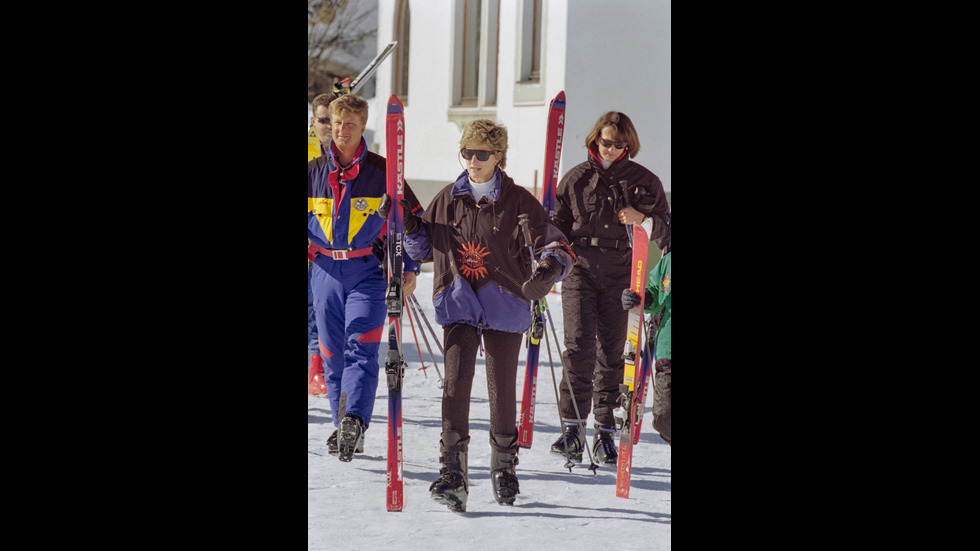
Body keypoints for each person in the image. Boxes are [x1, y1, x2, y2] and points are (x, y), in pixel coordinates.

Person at [400, 119, 574, 512]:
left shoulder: (519, 201)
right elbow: (421, 250)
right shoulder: (447, 198)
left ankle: (504, 468)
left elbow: (557, 246)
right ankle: (452, 472)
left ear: (499, 156)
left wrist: (546, 273)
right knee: (456, 383)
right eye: (467, 152)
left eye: (482, 154)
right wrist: (411, 225)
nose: (473, 160)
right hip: (459, 299)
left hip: (505, 300)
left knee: (501, 388)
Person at [550, 111, 669, 465]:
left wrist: (641, 219)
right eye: (607, 142)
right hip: (580, 270)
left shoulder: (645, 182)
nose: (613, 149)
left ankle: (604, 430)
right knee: (578, 347)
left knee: (613, 353)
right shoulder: (575, 178)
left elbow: (666, 230)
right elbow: (558, 226)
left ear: (628, 145)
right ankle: (572, 429)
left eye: (620, 144)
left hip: (622, 272)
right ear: (594, 140)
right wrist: (547, 250)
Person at [308, 93, 422, 461]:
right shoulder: (313, 173)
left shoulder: (383, 172)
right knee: (330, 352)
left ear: (362, 129)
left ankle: (355, 418)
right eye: (336, 124)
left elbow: (414, 226)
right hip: (324, 271)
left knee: (362, 347)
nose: (341, 131)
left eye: (350, 125)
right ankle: (342, 426)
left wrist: (411, 268)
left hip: (367, 273)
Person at [622, 218, 670, 446]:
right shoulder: (668, 262)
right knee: (663, 417)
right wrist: (641, 298)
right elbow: (655, 291)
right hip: (667, 353)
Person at [308, 92, 335, 396]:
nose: (329, 126)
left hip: (324, 251)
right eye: (323, 120)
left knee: (318, 312)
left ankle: (318, 372)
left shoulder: (344, 153)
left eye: (333, 119)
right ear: (313, 121)